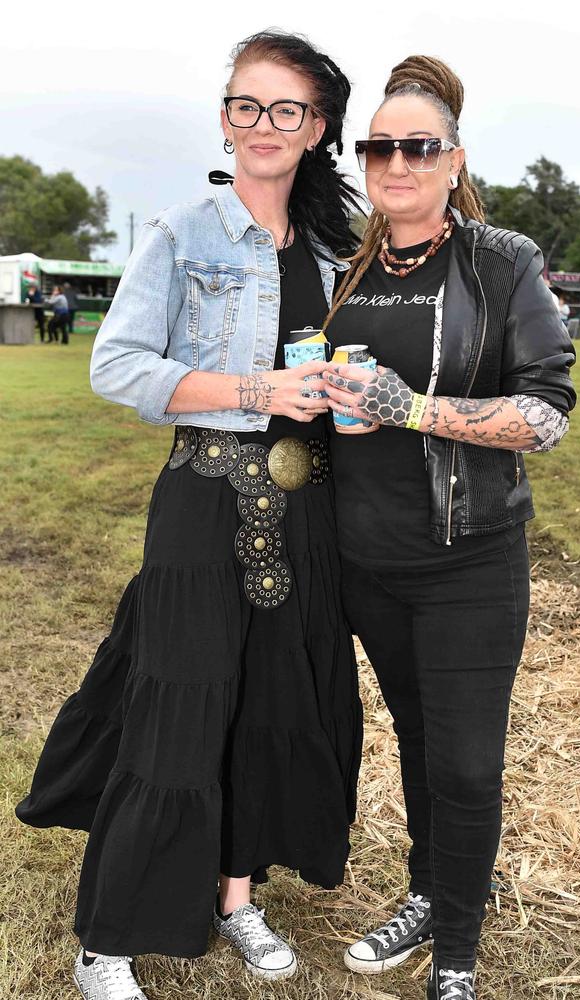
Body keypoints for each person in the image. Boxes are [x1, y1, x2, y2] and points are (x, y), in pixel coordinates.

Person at [15, 30, 364, 1000]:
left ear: (314, 128)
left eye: (285, 109)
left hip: (303, 511)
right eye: (246, 106)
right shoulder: (184, 232)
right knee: (177, 705)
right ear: (224, 118)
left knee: (264, 706)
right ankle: (108, 941)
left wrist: (344, 390)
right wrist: (258, 390)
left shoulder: (333, 246)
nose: (264, 124)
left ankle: (233, 896)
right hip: (204, 500)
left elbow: (336, 372)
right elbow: (115, 365)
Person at [321, 57, 576, 1000]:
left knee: (467, 763)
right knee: (421, 743)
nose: (396, 162)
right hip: (365, 561)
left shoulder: (498, 260)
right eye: (379, 146)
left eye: (417, 146)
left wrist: (409, 407)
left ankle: (458, 958)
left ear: (452, 158)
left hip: (468, 560)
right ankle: (433, 893)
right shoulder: (347, 265)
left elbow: (546, 414)